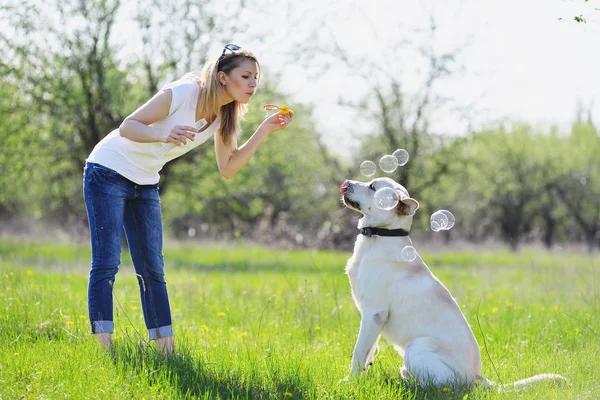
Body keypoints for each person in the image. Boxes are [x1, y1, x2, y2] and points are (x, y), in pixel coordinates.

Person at [83, 44, 293, 354]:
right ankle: (103, 349)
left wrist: (263, 130)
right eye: (246, 76)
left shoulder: (225, 115)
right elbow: (128, 126)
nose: (253, 84)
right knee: (107, 262)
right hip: (108, 169)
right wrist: (162, 134)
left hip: (145, 180)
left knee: (152, 267)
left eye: (256, 78)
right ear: (223, 77)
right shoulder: (183, 92)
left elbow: (228, 167)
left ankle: (166, 352)